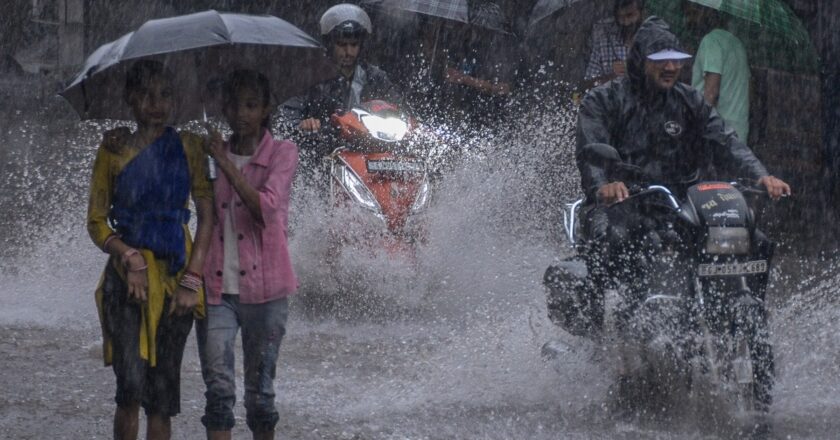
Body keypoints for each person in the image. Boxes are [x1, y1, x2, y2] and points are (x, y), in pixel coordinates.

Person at [570, 16, 790, 410]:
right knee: (615, 244)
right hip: (624, 202)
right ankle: (612, 347)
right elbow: (591, 150)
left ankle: (737, 314)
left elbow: (726, 140)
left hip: (679, 203)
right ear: (641, 60)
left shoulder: (690, 100)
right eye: (660, 59)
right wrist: (602, 185)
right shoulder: (604, 100)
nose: (671, 66)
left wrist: (763, 176)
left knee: (754, 240)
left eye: (676, 58)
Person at [87, 59, 213, 440]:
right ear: (129, 99)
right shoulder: (114, 148)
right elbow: (96, 222)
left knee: (162, 395)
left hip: (178, 282)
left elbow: (207, 218)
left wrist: (192, 282)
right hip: (125, 282)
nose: (155, 104)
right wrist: (128, 255)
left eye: (164, 95)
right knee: (129, 388)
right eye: (145, 95)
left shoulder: (190, 147)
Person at [198, 70, 299, 440]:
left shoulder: (283, 153)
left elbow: (265, 210)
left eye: (252, 105)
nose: (242, 113)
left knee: (260, 398)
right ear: (223, 107)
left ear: (266, 108)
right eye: (235, 104)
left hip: (267, 292)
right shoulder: (209, 153)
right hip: (216, 291)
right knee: (219, 394)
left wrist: (223, 161)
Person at [283, 3, 402, 134]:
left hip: (370, 146)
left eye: (354, 45)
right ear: (330, 44)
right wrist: (303, 124)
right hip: (325, 148)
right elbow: (286, 115)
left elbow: (399, 108)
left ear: (361, 45)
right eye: (341, 44)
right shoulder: (313, 76)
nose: (348, 52)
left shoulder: (374, 77)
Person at [442, 1, 518, 125]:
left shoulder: (502, 50)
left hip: (491, 116)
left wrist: (466, 79)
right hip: (460, 113)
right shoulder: (463, 45)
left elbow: (504, 87)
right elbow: (448, 73)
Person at [685, 2, 751, 141]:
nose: (689, 20)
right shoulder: (737, 44)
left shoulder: (711, 41)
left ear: (707, 13)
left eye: (694, 14)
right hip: (738, 133)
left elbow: (711, 93)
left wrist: (697, 131)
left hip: (718, 134)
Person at [583, 0, 645, 88]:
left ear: (641, 14)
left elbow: (664, 84)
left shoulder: (653, 44)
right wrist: (611, 76)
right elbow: (587, 85)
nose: (626, 22)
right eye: (621, 17)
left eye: (630, 15)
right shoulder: (603, 45)